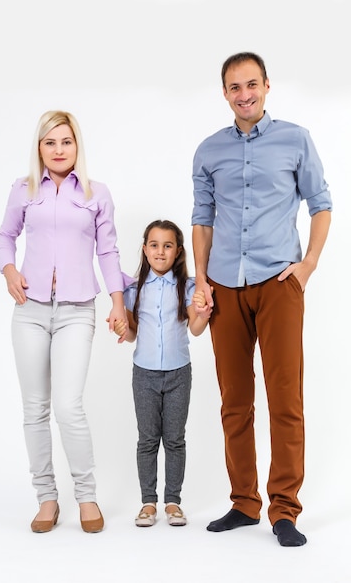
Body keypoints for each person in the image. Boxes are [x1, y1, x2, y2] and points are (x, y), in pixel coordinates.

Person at [191, 52, 332, 547]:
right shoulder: (209, 151)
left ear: (267, 86)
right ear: (225, 93)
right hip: (225, 287)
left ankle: (285, 510)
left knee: (285, 399)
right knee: (235, 402)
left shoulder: (296, 139)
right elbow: (202, 220)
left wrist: (308, 265)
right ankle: (244, 503)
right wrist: (202, 282)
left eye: (252, 84)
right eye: (234, 87)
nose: (244, 93)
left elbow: (321, 204)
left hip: (279, 283)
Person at [0, 110, 130, 534]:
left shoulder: (96, 193)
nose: (58, 150)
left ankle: (86, 497)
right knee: (35, 408)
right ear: (39, 147)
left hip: (76, 310)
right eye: (50, 142)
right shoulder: (22, 190)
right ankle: (46, 499)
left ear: (76, 146)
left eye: (65, 142)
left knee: (68, 406)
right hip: (30, 310)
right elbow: (4, 237)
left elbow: (107, 252)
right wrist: (9, 270)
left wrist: (118, 302)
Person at [111, 219, 210, 527]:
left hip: (179, 373)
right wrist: (121, 327)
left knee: (175, 439)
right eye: (154, 245)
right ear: (144, 249)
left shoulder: (189, 287)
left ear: (178, 251)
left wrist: (204, 313)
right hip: (145, 375)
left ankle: (173, 502)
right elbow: (130, 335)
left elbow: (195, 330)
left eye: (168, 246)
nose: (160, 252)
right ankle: (148, 503)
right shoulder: (132, 290)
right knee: (148, 439)